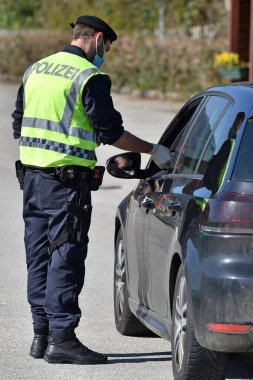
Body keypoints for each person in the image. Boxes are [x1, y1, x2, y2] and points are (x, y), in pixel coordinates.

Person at [12, 15, 171, 365]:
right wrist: (152, 150)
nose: (105, 55)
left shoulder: (36, 69)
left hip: (32, 180)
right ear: (98, 39)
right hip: (66, 187)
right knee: (65, 258)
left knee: (38, 257)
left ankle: (41, 336)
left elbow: (18, 122)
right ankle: (63, 339)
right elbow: (112, 133)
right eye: (107, 48)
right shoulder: (91, 77)